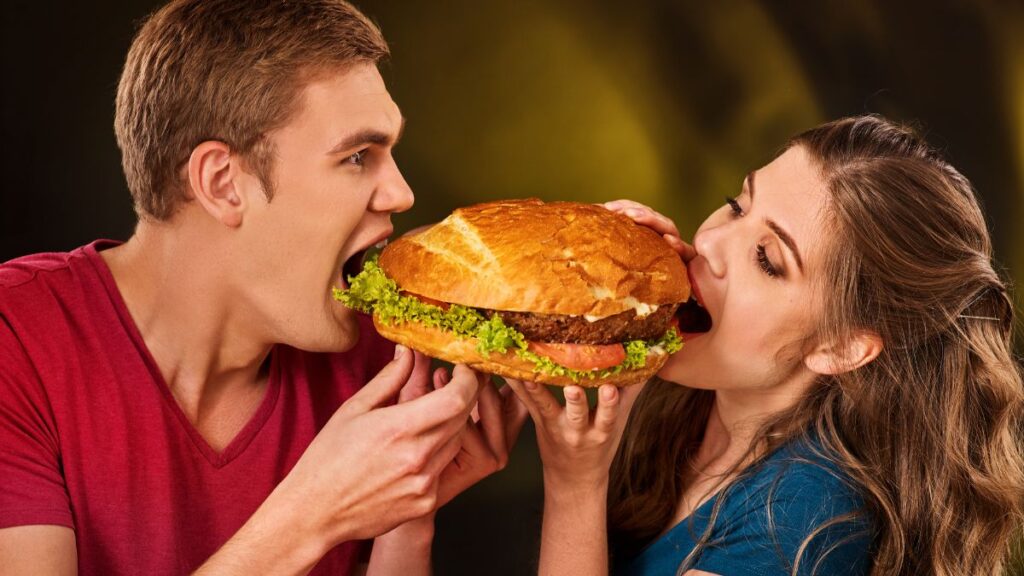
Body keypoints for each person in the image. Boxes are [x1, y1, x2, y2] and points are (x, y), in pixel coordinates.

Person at [0, 1, 528, 574]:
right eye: (357, 156)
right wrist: (313, 514)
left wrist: (405, 514)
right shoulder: (18, 342)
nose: (400, 194)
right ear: (224, 184)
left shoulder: (374, 362)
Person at [507, 115, 1024, 575]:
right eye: (737, 206)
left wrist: (575, 486)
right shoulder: (694, 406)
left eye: (767, 259)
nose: (708, 242)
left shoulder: (799, 526)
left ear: (840, 347)